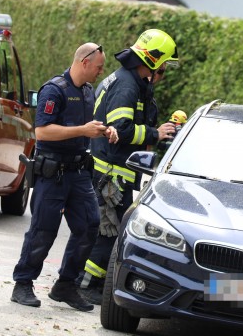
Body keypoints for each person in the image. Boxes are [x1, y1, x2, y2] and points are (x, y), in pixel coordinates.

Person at [10, 43, 118, 312]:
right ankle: (23, 283)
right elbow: (42, 132)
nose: (101, 71)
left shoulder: (89, 92)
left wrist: (106, 130)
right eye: (99, 66)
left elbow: (88, 126)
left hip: (79, 173)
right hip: (53, 173)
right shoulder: (54, 90)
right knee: (43, 230)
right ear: (84, 62)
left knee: (90, 226)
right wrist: (82, 129)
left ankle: (66, 285)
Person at [76, 29, 179, 304]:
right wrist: (155, 133)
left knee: (108, 228)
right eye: (165, 61)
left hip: (112, 169)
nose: (165, 68)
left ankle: (89, 283)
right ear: (154, 59)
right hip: (112, 173)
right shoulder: (127, 85)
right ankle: (85, 285)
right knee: (109, 230)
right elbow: (120, 129)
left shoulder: (128, 80)